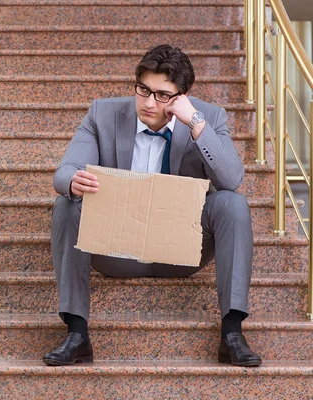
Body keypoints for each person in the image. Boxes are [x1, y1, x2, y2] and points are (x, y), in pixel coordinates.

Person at [43, 44, 262, 367]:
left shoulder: (209, 117)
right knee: (67, 205)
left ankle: (231, 333)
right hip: (115, 250)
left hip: (183, 250)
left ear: (181, 97)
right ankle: (77, 334)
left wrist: (196, 124)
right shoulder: (103, 113)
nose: (148, 102)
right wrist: (72, 181)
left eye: (162, 95)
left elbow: (231, 178)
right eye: (143, 89)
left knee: (232, 203)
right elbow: (65, 170)